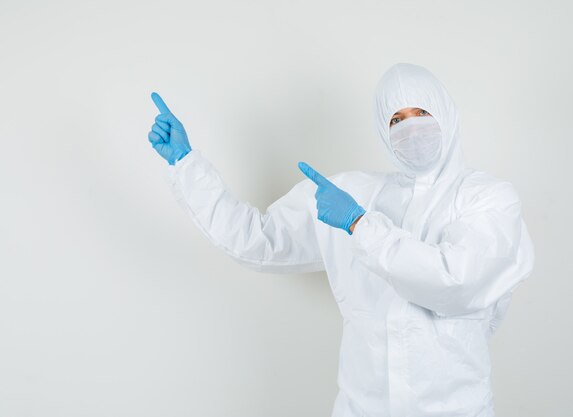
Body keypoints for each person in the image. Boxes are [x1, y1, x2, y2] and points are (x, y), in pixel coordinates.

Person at [147, 63, 535, 417]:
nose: (410, 128)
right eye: (396, 119)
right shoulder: (352, 192)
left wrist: (360, 225)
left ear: (445, 115)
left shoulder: (487, 198)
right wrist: (186, 164)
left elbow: (456, 282)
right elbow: (257, 241)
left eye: (421, 113)